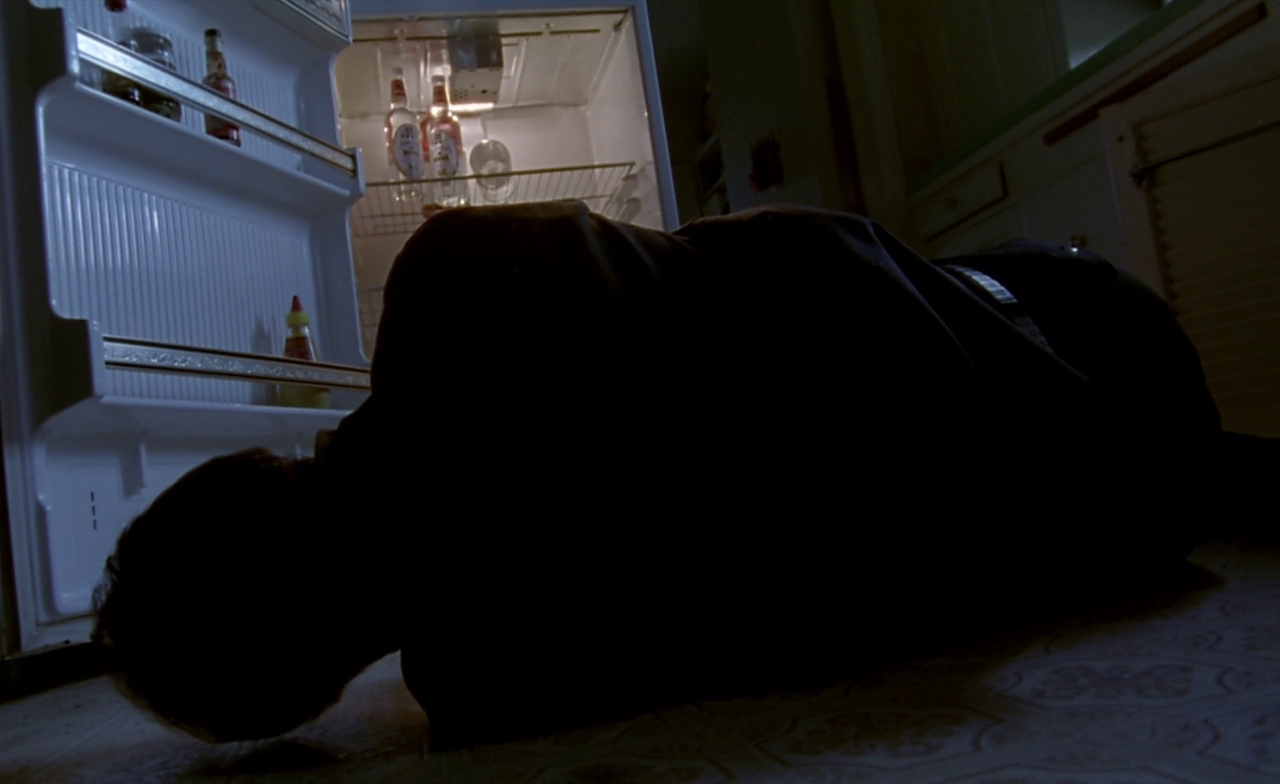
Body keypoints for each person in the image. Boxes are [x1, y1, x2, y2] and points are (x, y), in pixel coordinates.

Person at [92, 202, 1247, 749]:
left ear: (317, 690)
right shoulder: (452, 280)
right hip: (1066, 323)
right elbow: (804, 253)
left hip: (1130, 503)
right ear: (254, 469)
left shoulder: (490, 686)